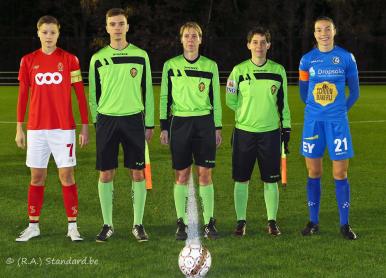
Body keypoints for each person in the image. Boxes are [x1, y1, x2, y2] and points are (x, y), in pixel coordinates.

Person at [15, 15, 89, 242]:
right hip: (36, 129)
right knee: (37, 177)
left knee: (66, 175)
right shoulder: (28, 60)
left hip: (63, 129)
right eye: (44, 32)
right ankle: (33, 226)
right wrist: (20, 127)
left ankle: (73, 227)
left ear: (58, 33)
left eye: (53, 32)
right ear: (38, 33)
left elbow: (79, 95)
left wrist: (85, 126)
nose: (48, 36)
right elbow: (23, 96)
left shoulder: (70, 60)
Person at [88, 8, 154, 242]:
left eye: (121, 23)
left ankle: (138, 224)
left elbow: (148, 92)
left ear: (127, 27)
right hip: (106, 120)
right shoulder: (98, 58)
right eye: (112, 24)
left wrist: (149, 123)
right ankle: (107, 224)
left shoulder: (140, 55)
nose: (117, 28)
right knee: (106, 173)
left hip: (134, 120)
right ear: (106, 28)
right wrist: (98, 121)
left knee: (137, 172)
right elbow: (93, 95)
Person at [226, 27, 291, 237]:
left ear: (269, 45)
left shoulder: (278, 70)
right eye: (255, 42)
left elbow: (284, 104)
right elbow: (230, 99)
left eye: (263, 42)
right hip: (244, 133)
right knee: (241, 179)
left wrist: (286, 128)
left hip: (270, 133)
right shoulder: (238, 71)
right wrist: (247, 114)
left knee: (270, 180)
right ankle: (240, 222)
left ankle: (272, 222)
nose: (259, 46)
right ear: (248, 45)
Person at [160, 22, 222, 240]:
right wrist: (164, 126)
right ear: (181, 39)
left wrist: (217, 127)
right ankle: (181, 222)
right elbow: (164, 97)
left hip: (204, 123)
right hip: (180, 124)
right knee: (182, 174)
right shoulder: (171, 65)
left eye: (194, 36)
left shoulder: (210, 66)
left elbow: (216, 98)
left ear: (200, 39)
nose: (190, 39)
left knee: (205, 175)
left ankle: (209, 222)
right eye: (187, 36)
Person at [299, 16, 360, 240]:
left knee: (340, 172)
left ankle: (344, 225)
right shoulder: (307, 60)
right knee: (313, 171)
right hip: (313, 122)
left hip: (337, 123)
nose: (323, 33)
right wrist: (317, 110)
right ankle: (313, 222)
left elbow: (354, 92)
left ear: (334, 31)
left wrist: (339, 111)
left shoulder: (346, 58)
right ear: (314, 34)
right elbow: (303, 93)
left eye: (327, 29)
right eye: (318, 30)